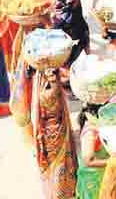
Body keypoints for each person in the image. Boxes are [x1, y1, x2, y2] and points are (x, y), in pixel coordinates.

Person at [31, 68, 78, 198]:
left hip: (46, 133)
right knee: (61, 162)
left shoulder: (38, 95)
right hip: (58, 130)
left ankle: (54, 191)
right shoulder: (53, 91)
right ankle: (64, 189)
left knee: (54, 164)